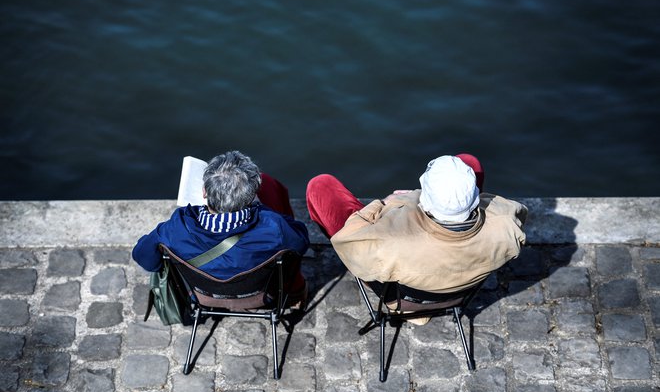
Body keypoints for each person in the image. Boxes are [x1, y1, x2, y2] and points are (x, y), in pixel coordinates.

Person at [305, 154, 527, 296]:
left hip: (406, 294)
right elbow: (512, 213)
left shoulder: (388, 245)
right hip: (460, 287)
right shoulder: (507, 224)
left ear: (426, 199)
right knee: (469, 162)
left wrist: (385, 203)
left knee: (321, 186)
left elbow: (347, 243)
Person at [132, 150, 309, 305]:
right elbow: (300, 243)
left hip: (202, 296)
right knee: (271, 185)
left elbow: (144, 257)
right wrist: (262, 208)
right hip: (260, 296)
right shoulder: (273, 227)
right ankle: (295, 295)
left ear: (204, 192)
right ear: (250, 198)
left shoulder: (176, 228)